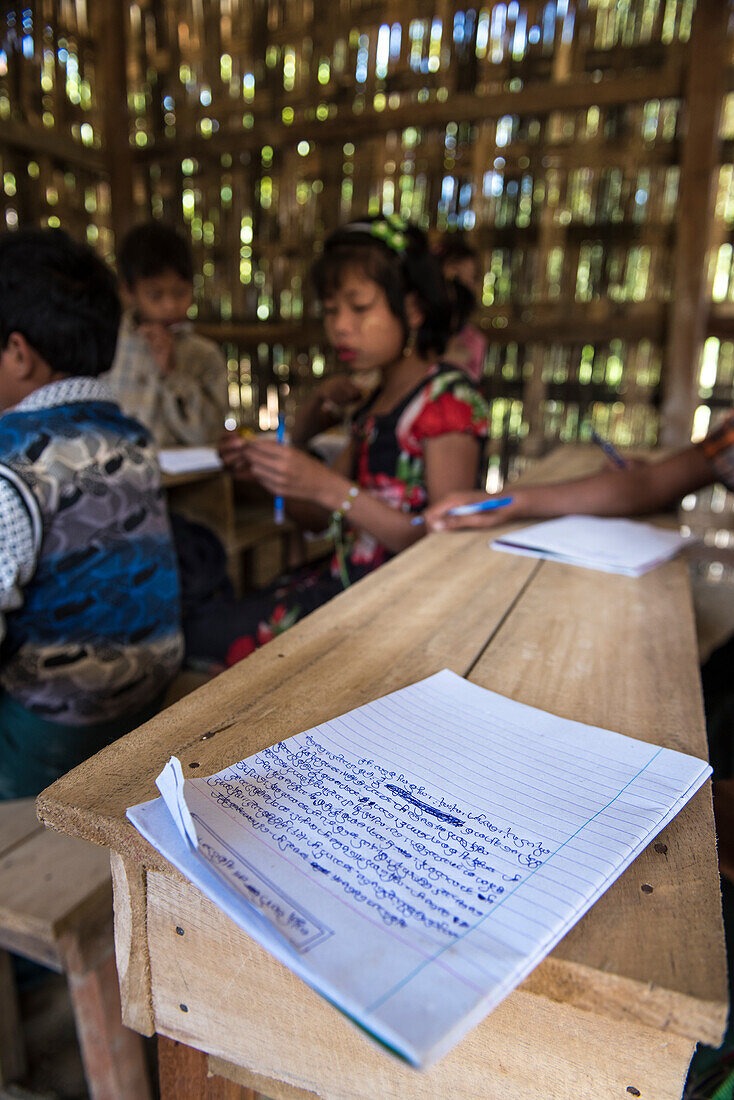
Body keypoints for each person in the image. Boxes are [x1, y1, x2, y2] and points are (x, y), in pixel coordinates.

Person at [196, 215, 490, 666]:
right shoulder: (375, 403)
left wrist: (328, 487)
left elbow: (442, 544)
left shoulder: (447, 401)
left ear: (412, 309)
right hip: (346, 579)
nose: (340, 326)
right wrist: (272, 470)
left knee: (209, 638)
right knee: (208, 624)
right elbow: (316, 517)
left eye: (359, 307)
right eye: (331, 310)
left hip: (392, 609)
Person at [0, 228, 184, 799]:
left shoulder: (12, 461)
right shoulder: (133, 437)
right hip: (151, 689)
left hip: (58, 725)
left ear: (19, 352)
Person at [104, 221, 228, 446]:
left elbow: (207, 435)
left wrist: (172, 373)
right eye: (155, 295)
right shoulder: (109, 346)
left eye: (180, 293)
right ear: (129, 291)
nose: (170, 305)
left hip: (189, 480)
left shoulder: (204, 355)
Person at [434, 234, 487, 383]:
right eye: (454, 277)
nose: (459, 287)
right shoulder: (414, 326)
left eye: (471, 278)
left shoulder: (474, 342)